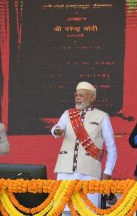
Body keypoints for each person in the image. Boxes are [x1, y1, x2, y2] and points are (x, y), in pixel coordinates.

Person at [51, 81, 117, 212]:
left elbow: (112, 147)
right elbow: (56, 129)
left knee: (88, 211)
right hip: (65, 172)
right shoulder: (67, 114)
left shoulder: (102, 116)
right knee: (64, 210)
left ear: (92, 97)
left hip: (89, 173)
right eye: (76, 95)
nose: (77, 98)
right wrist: (56, 130)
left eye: (81, 95)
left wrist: (108, 171)